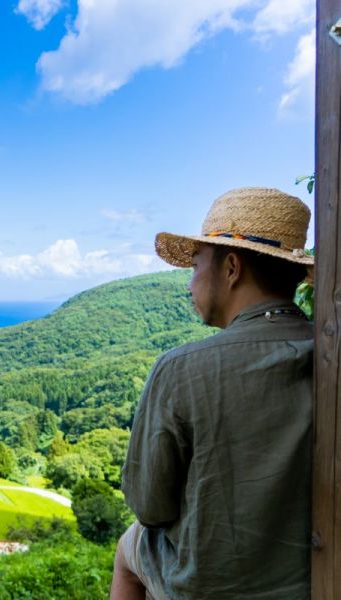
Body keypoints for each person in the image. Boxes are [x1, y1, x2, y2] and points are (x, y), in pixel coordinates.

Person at [110, 187, 315, 600]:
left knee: (128, 547)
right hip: (309, 580)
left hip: (207, 587)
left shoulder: (181, 368)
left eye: (196, 265)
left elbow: (150, 508)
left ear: (232, 268)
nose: (189, 283)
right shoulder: (325, 355)